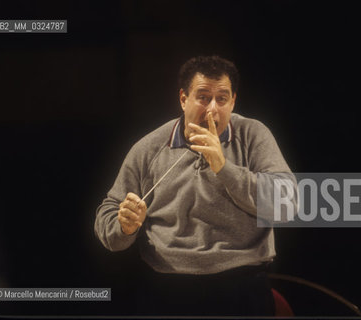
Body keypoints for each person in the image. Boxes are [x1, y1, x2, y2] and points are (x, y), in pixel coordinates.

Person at [95, 55, 295, 316]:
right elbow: (108, 216)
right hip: (168, 288)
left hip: (242, 284)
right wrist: (124, 226)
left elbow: (287, 205)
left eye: (222, 99)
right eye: (203, 97)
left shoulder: (253, 135)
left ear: (233, 101)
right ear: (183, 99)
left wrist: (223, 167)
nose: (212, 109)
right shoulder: (150, 147)